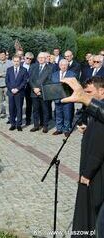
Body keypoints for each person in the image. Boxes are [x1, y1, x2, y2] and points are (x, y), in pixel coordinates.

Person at [69, 76, 104, 237]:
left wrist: (87, 173)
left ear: (101, 91)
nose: (86, 95)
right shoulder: (96, 111)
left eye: (89, 92)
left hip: (97, 173)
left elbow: (99, 148)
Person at [29, 52, 53, 133]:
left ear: (46, 58)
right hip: (34, 92)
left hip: (44, 92)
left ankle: (45, 126)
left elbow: (49, 81)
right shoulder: (33, 67)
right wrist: (34, 89)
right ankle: (36, 125)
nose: (41, 59)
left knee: (45, 110)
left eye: (43, 57)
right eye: (39, 57)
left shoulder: (50, 68)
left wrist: (39, 89)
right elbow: (30, 79)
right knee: (35, 110)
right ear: (37, 58)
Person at [50, 59, 75, 137]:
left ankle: (66, 129)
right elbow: (51, 86)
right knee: (58, 114)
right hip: (57, 98)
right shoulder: (54, 74)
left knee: (67, 114)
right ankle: (59, 129)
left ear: (67, 66)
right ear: (59, 66)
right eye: (62, 65)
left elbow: (74, 86)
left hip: (68, 98)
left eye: (65, 65)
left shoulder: (72, 74)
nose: (63, 66)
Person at [5, 55, 28, 131]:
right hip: (11, 92)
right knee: (11, 108)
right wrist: (11, 89)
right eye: (14, 61)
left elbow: (24, 81)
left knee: (19, 109)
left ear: (20, 61)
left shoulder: (24, 70)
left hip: (19, 92)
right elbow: (7, 81)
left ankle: (19, 124)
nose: (16, 62)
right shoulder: (9, 69)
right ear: (12, 61)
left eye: (17, 61)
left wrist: (18, 89)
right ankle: (12, 124)